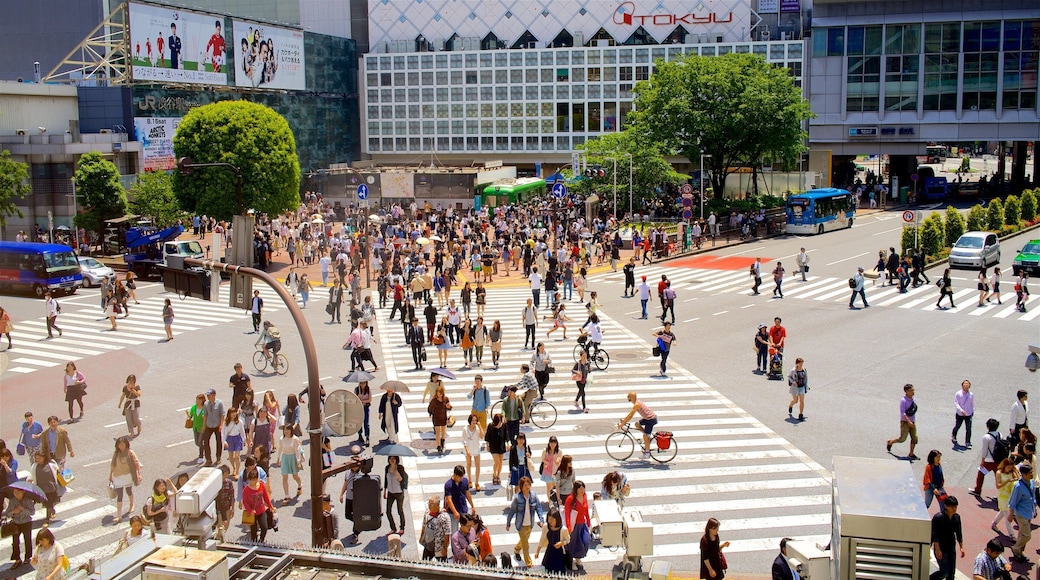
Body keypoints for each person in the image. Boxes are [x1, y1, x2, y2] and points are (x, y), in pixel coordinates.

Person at [505, 476, 545, 567]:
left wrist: (541, 520)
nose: (527, 487)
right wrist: (508, 523)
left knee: (524, 541)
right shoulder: (517, 498)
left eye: (528, 485)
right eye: (525, 485)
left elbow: (538, 508)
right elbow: (512, 511)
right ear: (521, 487)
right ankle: (529, 563)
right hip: (521, 524)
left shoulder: (534, 496)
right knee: (526, 546)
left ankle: (516, 549)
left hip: (530, 524)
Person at [930, 495, 964, 580]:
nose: (954, 509)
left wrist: (961, 547)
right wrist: (937, 549)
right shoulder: (938, 518)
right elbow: (935, 534)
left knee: (951, 572)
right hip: (941, 547)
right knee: (944, 571)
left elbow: (959, 532)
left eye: (955, 506)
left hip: (951, 546)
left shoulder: (956, 517)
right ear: (946, 506)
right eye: (952, 507)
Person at [1007, 463, 1036, 562]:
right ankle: (1015, 548)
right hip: (1021, 514)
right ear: (1023, 474)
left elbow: (1033, 496)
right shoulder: (1018, 486)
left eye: (1031, 472)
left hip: (1029, 512)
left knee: (1022, 534)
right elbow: (1013, 501)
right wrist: (1011, 514)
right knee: (1027, 535)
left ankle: (1019, 553)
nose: (1031, 474)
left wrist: (1034, 509)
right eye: (1029, 473)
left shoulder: (1032, 482)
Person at [109, 436, 141, 521]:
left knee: (128, 491)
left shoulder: (130, 453)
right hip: (118, 476)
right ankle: (119, 515)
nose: (121, 446)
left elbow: (137, 463)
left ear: (126, 444)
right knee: (120, 495)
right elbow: (113, 465)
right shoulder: (116, 454)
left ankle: (131, 504)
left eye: (122, 444)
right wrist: (110, 475)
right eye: (119, 445)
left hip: (128, 475)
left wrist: (139, 474)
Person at [242, 465, 277, 543]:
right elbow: (245, 501)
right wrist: (250, 510)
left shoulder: (261, 485)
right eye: (251, 480)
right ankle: (254, 542)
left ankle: (261, 541)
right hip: (252, 513)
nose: (252, 482)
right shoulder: (246, 490)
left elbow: (265, 496)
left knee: (264, 527)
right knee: (253, 530)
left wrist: (271, 506)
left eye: (254, 480)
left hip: (261, 510)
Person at [619, 392, 657, 458]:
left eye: (628, 396)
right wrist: (624, 420)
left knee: (645, 436)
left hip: (650, 420)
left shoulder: (637, 404)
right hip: (648, 418)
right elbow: (630, 414)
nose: (627, 397)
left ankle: (647, 453)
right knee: (637, 424)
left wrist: (623, 423)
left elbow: (631, 415)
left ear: (631, 397)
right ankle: (648, 438)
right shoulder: (637, 402)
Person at [4, 486, 34, 568]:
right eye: (14, 492)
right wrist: (14, 511)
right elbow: (7, 513)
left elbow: (32, 512)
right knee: (15, 542)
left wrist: (22, 509)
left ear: (23, 492)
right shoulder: (12, 500)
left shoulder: (28, 500)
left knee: (27, 540)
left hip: (26, 522)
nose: (16, 494)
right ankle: (17, 559)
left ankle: (28, 557)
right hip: (16, 523)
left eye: (18, 492)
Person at [886, 384, 920, 460]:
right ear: (906, 391)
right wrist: (909, 422)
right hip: (905, 422)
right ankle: (890, 442)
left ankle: (911, 453)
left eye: (913, 390)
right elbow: (903, 413)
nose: (913, 392)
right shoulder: (903, 401)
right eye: (911, 390)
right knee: (902, 439)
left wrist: (912, 422)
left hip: (912, 422)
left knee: (914, 438)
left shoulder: (913, 399)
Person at [972, 418, 1004, 496]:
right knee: (999, 477)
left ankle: (977, 490)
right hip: (999, 460)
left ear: (988, 426)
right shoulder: (1000, 434)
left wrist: (982, 461)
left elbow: (984, 450)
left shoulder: (986, 437)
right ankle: (1001, 494)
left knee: (981, 474)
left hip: (989, 460)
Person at [275, 424, 303, 504]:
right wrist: (278, 459)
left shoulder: (295, 439)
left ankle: (300, 485)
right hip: (285, 458)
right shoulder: (281, 439)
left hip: (292, 458)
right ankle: (287, 496)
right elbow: (280, 449)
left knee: (295, 476)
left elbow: (297, 450)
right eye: (285, 430)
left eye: (288, 430)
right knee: (284, 477)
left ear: (291, 430)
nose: (286, 431)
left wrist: (298, 462)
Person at [537, 507, 570, 573]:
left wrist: (561, 543)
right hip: (549, 551)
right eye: (549, 519)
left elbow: (568, 540)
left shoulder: (563, 529)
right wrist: (537, 551)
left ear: (557, 519)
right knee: (546, 570)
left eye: (552, 519)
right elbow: (542, 539)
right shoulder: (546, 526)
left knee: (558, 572)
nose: (550, 521)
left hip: (559, 553)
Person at [29, 450, 60, 521]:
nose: (38, 460)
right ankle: (51, 510)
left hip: (51, 487)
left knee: (49, 502)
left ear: (44, 457)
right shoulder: (35, 466)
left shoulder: (51, 464)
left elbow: (57, 471)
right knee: (45, 502)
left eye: (39, 458)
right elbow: (32, 475)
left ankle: (48, 518)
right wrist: (29, 479)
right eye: (36, 458)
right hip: (40, 488)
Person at [991, 458, 1019, 537]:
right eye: (1008, 467)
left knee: (1003, 511)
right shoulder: (999, 473)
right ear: (1004, 466)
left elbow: (1018, 479)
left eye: (1011, 467)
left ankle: (994, 523)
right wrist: (1007, 481)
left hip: (1011, 495)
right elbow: (998, 486)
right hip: (1003, 496)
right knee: (1007, 515)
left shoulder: (1012, 472)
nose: (1009, 469)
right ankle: (1012, 535)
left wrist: (1015, 471)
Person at [420, 495, 451, 561]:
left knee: (443, 566)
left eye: (431, 504)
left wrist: (445, 548)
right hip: (428, 545)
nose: (429, 506)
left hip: (439, 546)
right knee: (424, 563)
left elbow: (447, 534)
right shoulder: (427, 512)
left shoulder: (444, 517)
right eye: (429, 503)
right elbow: (424, 525)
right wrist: (421, 537)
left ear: (437, 505)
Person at [383, 455, 408, 535]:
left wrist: (396, 472)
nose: (392, 460)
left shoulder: (400, 468)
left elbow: (401, 479)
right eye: (390, 458)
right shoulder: (387, 468)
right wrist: (384, 490)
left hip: (399, 492)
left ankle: (402, 527)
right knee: (388, 511)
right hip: (390, 492)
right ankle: (393, 528)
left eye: (393, 458)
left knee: (399, 511)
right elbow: (385, 479)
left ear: (396, 459)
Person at [201, 389, 225, 466]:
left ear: (214, 395)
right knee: (206, 441)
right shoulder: (206, 404)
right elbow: (205, 415)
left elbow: (222, 414)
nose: (208, 397)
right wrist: (204, 426)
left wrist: (221, 425)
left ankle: (218, 457)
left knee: (218, 441)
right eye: (207, 395)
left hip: (217, 425)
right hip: (209, 425)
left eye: (209, 395)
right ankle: (208, 459)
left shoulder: (219, 403)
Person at [462, 414, 485, 491]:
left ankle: (477, 482)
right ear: (470, 421)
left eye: (475, 420)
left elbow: (482, 436)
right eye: (473, 420)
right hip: (468, 448)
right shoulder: (465, 429)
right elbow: (464, 440)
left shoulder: (477, 428)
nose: (474, 422)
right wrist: (467, 450)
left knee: (477, 465)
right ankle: (470, 480)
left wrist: (480, 426)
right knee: (469, 464)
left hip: (476, 448)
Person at [428, 383, 452, 454]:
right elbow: (430, 408)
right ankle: (438, 446)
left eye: (441, 393)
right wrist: (430, 413)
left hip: (443, 416)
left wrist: (449, 407)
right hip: (436, 417)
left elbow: (450, 407)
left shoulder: (445, 399)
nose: (439, 395)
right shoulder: (434, 400)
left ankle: (442, 440)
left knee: (443, 430)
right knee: (438, 431)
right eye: (438, 393)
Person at [485, 413, 507, 486]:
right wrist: (487, 445)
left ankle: (498, 476)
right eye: (499, 422)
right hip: (493, 446)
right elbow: (487, 436)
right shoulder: (491, 426)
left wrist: (508, 443)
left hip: (501, 445)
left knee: (501, 462)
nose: (500, 423)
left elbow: (506, 435)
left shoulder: (503, 426)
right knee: (497, 462)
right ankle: (494, 475)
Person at [952, 380, 975, 449]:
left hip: (968, 413)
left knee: (968, 428)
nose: (966, 385)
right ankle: (954, 435)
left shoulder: (971, 394)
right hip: (960, 414)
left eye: (967, 384)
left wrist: (973, 410)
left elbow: (972, 403)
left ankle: (967, 442)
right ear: (962, 385)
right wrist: (961, 410)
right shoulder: (958, 394)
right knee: (958, 426)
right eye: (965, 384)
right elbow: (956, 403)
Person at [540, 436, 562, 501]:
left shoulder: (559, 451)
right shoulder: (545, 450)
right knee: (549, 488)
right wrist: (546, 462)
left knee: (554, 486)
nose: (552, 445)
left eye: (554, 443)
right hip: (547, 471)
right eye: (551, 443)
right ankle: (550, 501)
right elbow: (542, 459)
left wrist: (555, 458)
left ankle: (553, 499)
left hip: (555, 472)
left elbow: (559, 462)